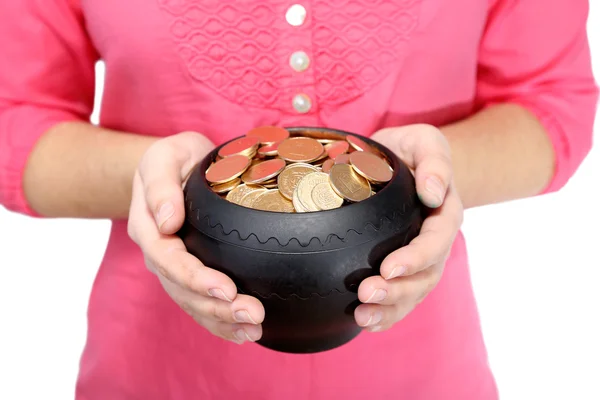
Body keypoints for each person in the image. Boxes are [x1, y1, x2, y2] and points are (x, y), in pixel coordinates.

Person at [0, 1, 597, 399]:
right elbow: (14, 122)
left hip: (419, 372)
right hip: (160, 371)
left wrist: (425, 179)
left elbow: (551, 99)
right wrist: (162, 183)